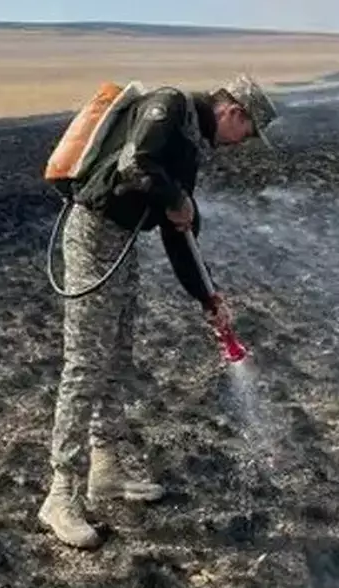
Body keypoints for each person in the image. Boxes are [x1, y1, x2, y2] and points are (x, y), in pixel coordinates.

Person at [38, 74, 279, 549]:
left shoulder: (190, 146)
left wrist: (208, 298)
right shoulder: (169, 106)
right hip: (92, 238)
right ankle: (59, 493)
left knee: (116, 359)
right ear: (233, 111)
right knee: (86, 364)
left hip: (120, 247)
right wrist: (175, 198)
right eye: (247, 133)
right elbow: (135, 165)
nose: (241, 144)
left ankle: (104, 470)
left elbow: (177, 232)